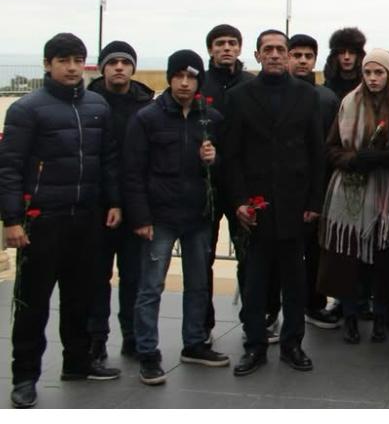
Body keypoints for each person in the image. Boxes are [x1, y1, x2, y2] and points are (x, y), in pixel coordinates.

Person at [1, 34, 122, 409]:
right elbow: (9, 168)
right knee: (33, 303)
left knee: (80, 298)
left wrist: (114, 202)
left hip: (86, 219)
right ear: (48, 64)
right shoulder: (26, 109)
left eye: (78, 60)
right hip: (42, 222)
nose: (72, 67)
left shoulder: (98, 106)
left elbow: (108, 161)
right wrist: (12, 220)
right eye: (64, 60)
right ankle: (24, 377)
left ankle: (77, 362)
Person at [122, 50, 230, 385]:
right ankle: (148, 352)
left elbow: (223, 169)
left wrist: (212, 160)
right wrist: (140, 216)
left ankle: (194, 342)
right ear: (170, 78)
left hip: (197, 216)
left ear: (199, 81)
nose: (185, 83)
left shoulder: (210, 117)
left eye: (192, 77)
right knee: (151, 286)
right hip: (159, 217)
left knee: (198, 284)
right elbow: (132, 172)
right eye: (179, 76)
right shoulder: (147, 118)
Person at [224, 30, 325, 377]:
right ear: (256, 55)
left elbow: (316, 153)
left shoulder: (307, 95)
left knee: (295, 281)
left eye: (281, 49)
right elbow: (232, 156)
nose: (275, 55)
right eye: (268, 49)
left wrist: (315, 201)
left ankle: (292, 343)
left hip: (296, 204)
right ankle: (254, 346)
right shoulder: (239, 97)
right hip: (256, 206)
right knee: (255, 282)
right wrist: (238, 201)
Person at [319, 49, 389, 345]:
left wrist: (380, 158)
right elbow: (331, 147)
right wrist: (351, 161)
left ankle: (382, 316)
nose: (373, 79)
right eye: (368, 73)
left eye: (379, 73)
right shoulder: (347, 104)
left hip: (384, 194)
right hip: (347, 192)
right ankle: (350, 317)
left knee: (383, 259)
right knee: (347, 257)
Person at [86, 40, 154, 364]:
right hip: (98, 205)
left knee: (134, 277)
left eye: (125, 62)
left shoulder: (146, 105)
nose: (118, 67)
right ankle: (96, 339)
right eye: (111, 62)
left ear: (132, 68)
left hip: (136, 204)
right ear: (102, 67)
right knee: (97, 278)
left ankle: (133, 336)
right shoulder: (88, 103)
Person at [201, 23, 255, 337]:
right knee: (202, 258)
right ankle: (203, 324)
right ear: (211, 49)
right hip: (206, 184)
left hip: (242, 185)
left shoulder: (250, 84)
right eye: (220, 43)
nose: (226, 48)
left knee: (248, 257)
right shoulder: (198, 84)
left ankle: (253, 319)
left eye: (232, 43)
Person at [288, 33, 343, 331]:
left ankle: (314, 303)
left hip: (317, 188)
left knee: (315, 252)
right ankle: (272, 311)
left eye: (308, 56)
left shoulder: (326, 98)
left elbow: (332, 145)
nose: (302, 61)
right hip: (280, 189)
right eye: (296, 55)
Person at [323, 27, 367, 99]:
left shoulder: (367, 87)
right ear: (335, 56)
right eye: (342, 52)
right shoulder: (327, 89)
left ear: (359, 56)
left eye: (352, 52)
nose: (347, 57)